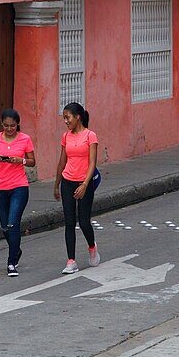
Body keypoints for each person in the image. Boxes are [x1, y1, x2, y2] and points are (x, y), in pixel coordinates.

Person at [0, 108, 35, 277]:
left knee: (13, 223)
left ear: (17, 124)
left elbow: (32, 161)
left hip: (19, 187)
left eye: (12, 126)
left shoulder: (25, 139)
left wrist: (19, 160)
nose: (9, 129)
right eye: (6, 126)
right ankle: (16, 250)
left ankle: (11, 262)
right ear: (2, 125)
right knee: (4, 227)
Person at [54, 102, 101, 274]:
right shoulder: (66, 136)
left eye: (68, 117)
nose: (66, 121)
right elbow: (62, 162)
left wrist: (85, 184)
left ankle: (91, 246)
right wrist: (56, 185)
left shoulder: (90, 136)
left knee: (84, 221)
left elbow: (92, 162)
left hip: (84, 183)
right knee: (69, 221)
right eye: (64, 118)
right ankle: (71, 261)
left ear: (77, 117)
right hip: (68, 181)